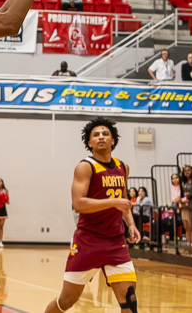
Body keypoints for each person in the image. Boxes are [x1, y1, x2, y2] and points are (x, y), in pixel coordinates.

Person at [47, 118, 140, 313]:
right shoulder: (85, 167)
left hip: (115, 241)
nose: (101, 138)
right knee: (66, 300)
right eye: (96, 135)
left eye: (105, 134)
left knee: (129, 298)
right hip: (88, 241)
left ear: (113, 140)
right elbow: (79, 203)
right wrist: (113, 203)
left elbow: (122, 200)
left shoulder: (123, 167)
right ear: (89, 143)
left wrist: (130, 224)